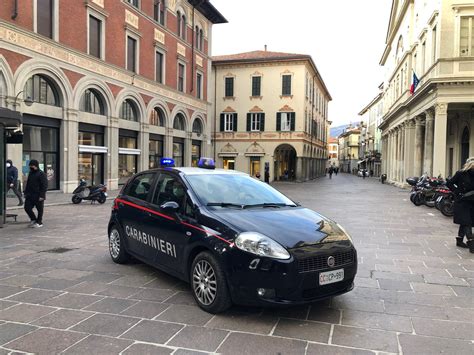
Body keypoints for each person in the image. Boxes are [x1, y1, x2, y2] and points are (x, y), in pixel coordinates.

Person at [447, 157, 474, 253]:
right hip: (462, 201)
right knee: (467, 222)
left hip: (472, 201)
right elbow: (449, 183)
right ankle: (471, 244)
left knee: (466, 221)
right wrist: (457, 192)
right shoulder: (461, 173)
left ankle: (459, 240)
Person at [24, 160, 48, 228]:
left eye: (32, 165)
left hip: (38, 195)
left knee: (39, 209)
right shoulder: (31, 173)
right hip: (30, 194)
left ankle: (39, 222)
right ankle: (33, 219)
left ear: (36, 166)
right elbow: (28, 184)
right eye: (30, 165)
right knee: (27, 208)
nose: (31, 167)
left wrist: (42, 195)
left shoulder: (41, 174)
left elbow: (44, 185)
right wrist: (26, 192)